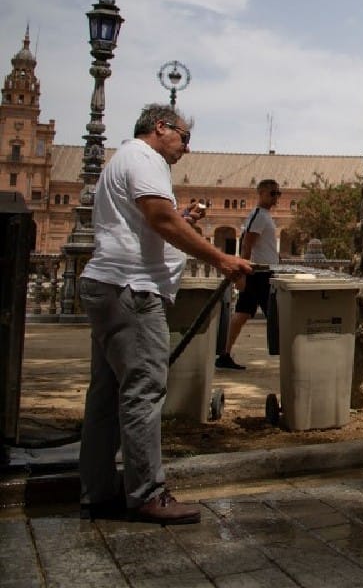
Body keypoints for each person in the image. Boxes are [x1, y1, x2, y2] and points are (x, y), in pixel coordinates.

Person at [79, 105, 253, 525]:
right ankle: (147, 494)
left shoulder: (123, 159)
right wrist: (221, 259)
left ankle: (98, 491)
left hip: (108, 287)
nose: (186, 149)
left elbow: (151, 219)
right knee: (143, 391)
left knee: (106, 395)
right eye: (184, 138)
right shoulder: (145, 159)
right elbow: (159, 218)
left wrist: (183, 218)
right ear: (161, 128)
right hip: (133, 291)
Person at [219, 179, 281, 369]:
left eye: (277, 194)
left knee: (242, 313)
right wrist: (242, 274)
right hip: (259, 273)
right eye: (272, 193)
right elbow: (246, 244)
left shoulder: (263, 216)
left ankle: (224, 354)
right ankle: (288, 355)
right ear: (261, 193)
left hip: (261, 271)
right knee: (277, 314)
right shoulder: (259, 216)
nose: (275, 198)